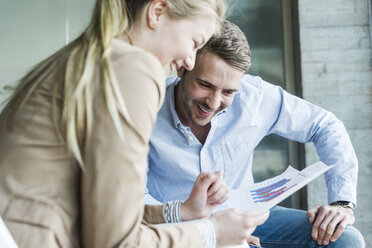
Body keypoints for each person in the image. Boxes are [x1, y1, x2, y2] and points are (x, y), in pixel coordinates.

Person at [0, 1, 270, 247]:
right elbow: (116, 241)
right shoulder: (133, 68)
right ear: (157, 12)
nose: (189, 61)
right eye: (194, 42)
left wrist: (184, 212)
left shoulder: (89, 56)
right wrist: (211, 233)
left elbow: (108, 211)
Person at [145, 20, 366, 247]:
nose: (213, 102)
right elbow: (133, 204)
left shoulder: (254, 96)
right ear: (182, 68)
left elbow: (326, 126)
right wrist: (209, 234)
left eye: (228, 91)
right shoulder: (144, 108)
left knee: (346, 240)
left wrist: (342, 203)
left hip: (247, 217)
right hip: (174, 227)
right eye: (205, 85)